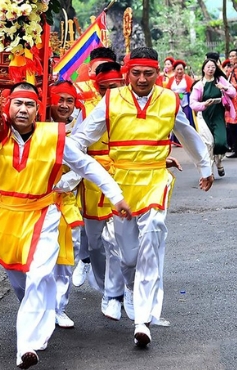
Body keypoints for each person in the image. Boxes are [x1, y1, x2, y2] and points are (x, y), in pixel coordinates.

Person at [0, 82, 127, 369]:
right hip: (6, 216)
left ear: (38, 109)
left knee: (39, 276)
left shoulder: (54, 136)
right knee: (20, 281)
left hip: (44, 214)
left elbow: (86, 166)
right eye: (17, 104)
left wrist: (116, 196)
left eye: (29, 105)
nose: (23, 110)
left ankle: (26, 346)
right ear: (8, 106)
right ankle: (41, 312)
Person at [70, 47, 213, 349]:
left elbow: (188, 134)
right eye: (136, 72)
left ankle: (142, 321)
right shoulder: (111, 100)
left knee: (152, 238)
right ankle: (123, 291)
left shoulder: (170, 100)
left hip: (154, 180)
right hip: (119, 184)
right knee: (128, 256)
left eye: (148, 73)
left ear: (157, 72)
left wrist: (205, 167)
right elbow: (80, 139)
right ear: (127, 71)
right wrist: (63, 166)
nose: (142, 79)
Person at [75, 61, 131, 321]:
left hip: (122, 177)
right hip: (91, 179)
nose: (110, 92)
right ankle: (102, 285)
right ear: (97, 86)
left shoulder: (130, 106)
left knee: (117, 240)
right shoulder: (85, 109)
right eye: (104, 87)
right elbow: (75, 146)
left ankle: (115, 293)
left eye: (115, 86)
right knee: (95, 242)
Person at [46, 80, 85, 329]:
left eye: (69, 101)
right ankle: (40, 305)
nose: (64, 105)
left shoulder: (78, 132)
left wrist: (64, 183)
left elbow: (83, 164)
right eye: (59, 99)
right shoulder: (36, 128)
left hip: (66, 200)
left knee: (68, 254)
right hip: (35, 204)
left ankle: (59, 307)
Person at [191, 59, 236, 177]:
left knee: (221, 142)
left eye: (213, 67)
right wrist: (204, 104)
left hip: (218, 115)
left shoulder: (220, 80)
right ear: (203, 69)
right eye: (208, 67)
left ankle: (218, 160)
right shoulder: (199, 85)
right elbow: (193, 103)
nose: (211, 69)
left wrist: (224, 88)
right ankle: (208, 171)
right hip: (204, 116)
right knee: (208, 143)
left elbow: (233, 92)